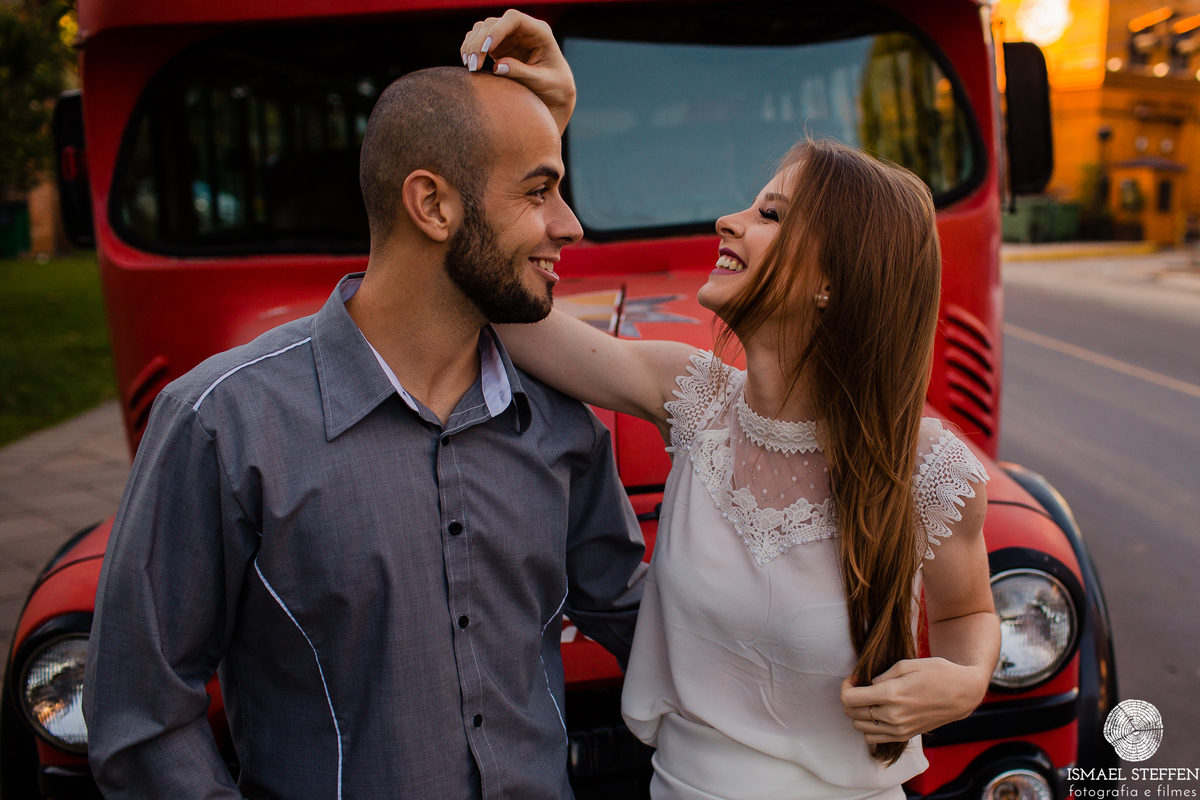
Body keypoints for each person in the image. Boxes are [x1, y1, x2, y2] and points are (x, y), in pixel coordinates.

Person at [463, 13, 1001, 800]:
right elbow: (512, 311)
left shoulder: (930, 469)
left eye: (771, 215)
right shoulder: (691, 398)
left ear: (832, 284)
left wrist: (968, 678)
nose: (728, 219)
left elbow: (968, 618)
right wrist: (547, 129)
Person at [82, 54, 647, 798]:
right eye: (539, 191)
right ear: (432, 205)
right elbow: (141, 715)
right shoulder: (221, 423)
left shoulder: (558, 416)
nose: (568, 226)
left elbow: (641, 622)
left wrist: (833, 670)